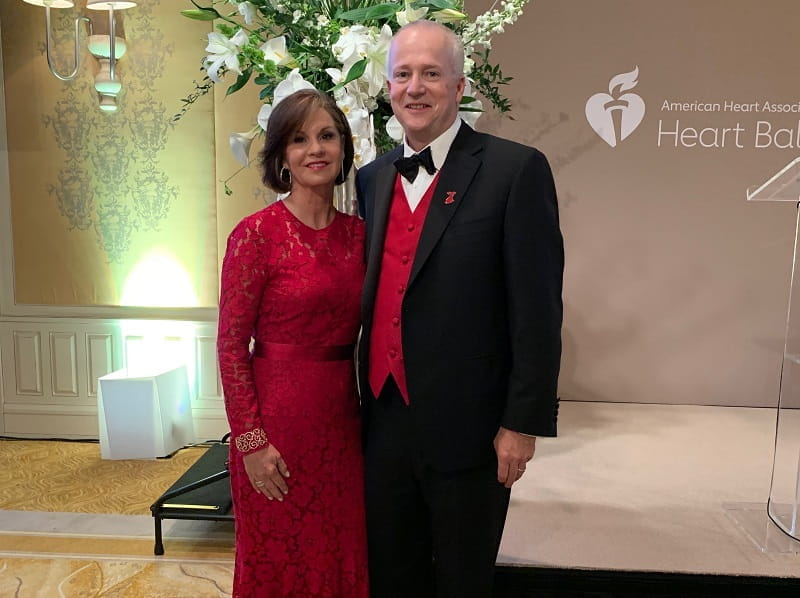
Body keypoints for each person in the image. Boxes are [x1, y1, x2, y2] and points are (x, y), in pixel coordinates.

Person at [355, 20, 564, 598]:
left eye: (430, 74)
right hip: (382, 422)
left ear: (460, 84)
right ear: (388, 87)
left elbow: (539, 311)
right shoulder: (370, 180)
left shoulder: (514, 170)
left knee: (461, 582)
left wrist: (522, 424)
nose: (414, 87)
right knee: (390, 577)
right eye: (403, 74)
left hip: (470, 429)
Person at [218, 89, 368, 598]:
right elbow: (231, 345)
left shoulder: (361, 236)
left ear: (344, 148)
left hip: (344, 427)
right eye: (300, 139)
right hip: (275, 431)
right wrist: (251, 443)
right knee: (278, 555)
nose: (316, 149)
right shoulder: (255, 235)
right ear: (282, 155)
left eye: (327, 136)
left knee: (339, 551)